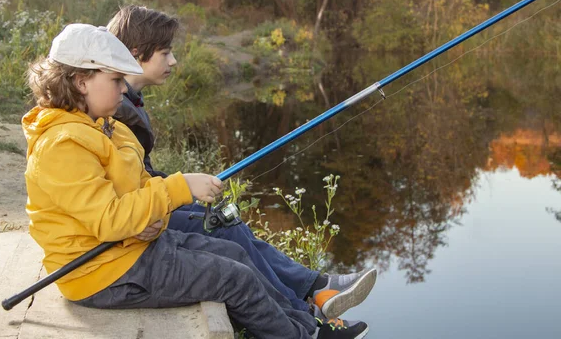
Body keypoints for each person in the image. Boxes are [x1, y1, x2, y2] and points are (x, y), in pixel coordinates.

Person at [22, 23, 370, 338]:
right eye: (115, 80)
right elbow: (109, 219)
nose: (121, 88)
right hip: (101, 275)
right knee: (234, 279)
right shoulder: (63, 144)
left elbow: (134, 192)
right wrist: (179, 187)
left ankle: (308, 328)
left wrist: (147, 218)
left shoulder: (103, 127)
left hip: (128, 251)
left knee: (233, 251)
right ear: (81, 81)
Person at [107, 5, 377, 319]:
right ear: (136, 53)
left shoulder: (127, 101)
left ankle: (314, 288)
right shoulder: (116, 109)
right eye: (165, 53)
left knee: (222, 216)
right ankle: (305, 309)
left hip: (146, 205)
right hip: (135, 223)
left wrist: (185, 186)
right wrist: (180, 188)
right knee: (221, 225)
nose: (174, 61)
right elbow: (127, 185)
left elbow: (141, 174)